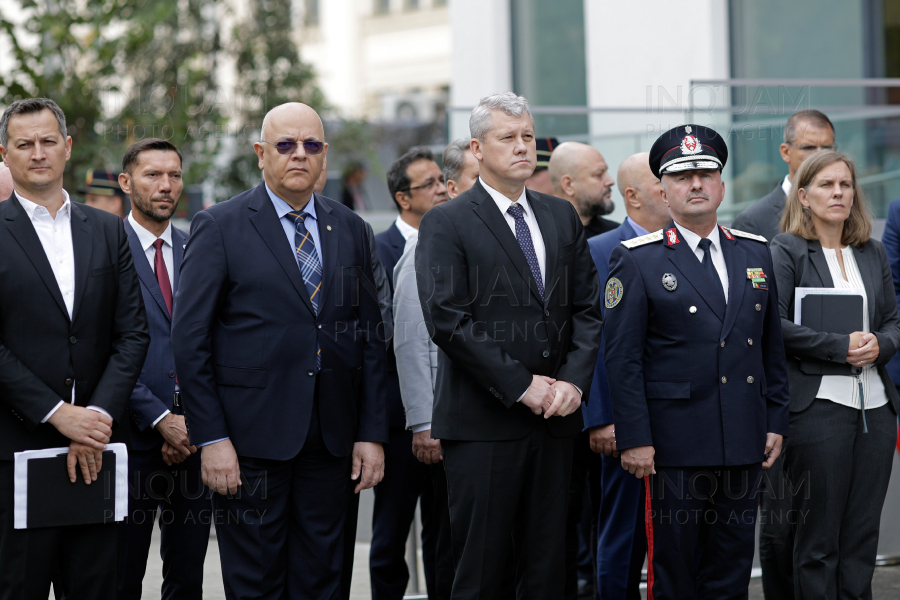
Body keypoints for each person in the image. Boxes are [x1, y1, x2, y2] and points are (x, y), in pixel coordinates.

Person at [171, 102, 388, 600]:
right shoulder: (221, 226)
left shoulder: (350, 228)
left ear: (325, 155)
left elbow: (371, 336)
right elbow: (190, 340)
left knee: (324, 581)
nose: (299, 155)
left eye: (311, 146)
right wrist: (212, 439)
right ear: (260, 153)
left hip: (332, 442)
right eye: (285, 145)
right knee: (257, 583)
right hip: (249, 445)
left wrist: (371, 432)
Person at [416, 92, 603, 599]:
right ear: (477, 148)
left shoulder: (560, 217)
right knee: (481, 573)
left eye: (527, 137)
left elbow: (588, 310)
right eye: (508, 138)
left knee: (550, 570)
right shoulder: (447, 221)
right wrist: (522, 387)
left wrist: (572, 383)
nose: (523, 147)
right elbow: (448, 319)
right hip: (484, 427)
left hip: (556, 424)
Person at [604, 124, 791, 599]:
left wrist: (775, 420)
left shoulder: (753, 252)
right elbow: (622, 359)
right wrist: (635, 439)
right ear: (663, 191)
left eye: (706, 174)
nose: (696, 185)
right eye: (683, 177)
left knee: (730, 568)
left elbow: (770, 347)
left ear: (722, 186)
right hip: (674, 445)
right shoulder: (638, 259)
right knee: (676, 570)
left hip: (743, 438)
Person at [0, 97, 149, 600]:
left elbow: (132, 335)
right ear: (5, 154)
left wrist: (94, 420)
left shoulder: (108, 230)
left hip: (96, 455)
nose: (37, 153)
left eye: (47, 142)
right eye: (24, 144)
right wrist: (57, 413)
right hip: (15, 454)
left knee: (96, 590)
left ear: (67, 148)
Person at [769, 151, 900, 600]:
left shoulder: (872, 250)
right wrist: (839, 346)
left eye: (845, 185)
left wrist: (881, 344)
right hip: (817, 410)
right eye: (827, 185)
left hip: (877, 410)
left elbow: (895, 322)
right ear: (803, 195)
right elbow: (773, 324)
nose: (839, 193)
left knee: (861, 539)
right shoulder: (785, 249)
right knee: (817, 542)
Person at [115, 138, 210, 600]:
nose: (166, 185)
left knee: (187, 577)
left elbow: (213, 341)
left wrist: (188, 423)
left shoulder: (199, 248)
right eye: (153, 175)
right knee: (122, 574)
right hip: (131, 442)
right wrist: (160, 420)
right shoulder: (104, 249)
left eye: (174, 175)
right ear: (127, 182)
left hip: (196, 443)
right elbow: (103, 351)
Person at [586, 152, 668, 599]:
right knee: (623, 536)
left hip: (681, 418)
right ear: (632, 195)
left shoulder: (689, 244)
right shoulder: (600, 250)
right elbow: (591, 338)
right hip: (625, 425)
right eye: (662, 181)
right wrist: (601, 416)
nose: (672, 187)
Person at [368, 148, 447, 600]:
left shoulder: (453, 238)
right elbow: (380, 339)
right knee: (390, 531)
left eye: (442, 180)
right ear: (403, 198)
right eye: (429, 184)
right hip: (399, 423)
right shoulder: (379, 249)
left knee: (444, 530)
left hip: (452, 415)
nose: (441, 188)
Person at [731, 110, 835, 242]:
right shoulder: (753, 222)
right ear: (786, 152)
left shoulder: (845, 210)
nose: (820, 156)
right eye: (809, 147)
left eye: (826, 148)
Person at [548, 142, 619, 238]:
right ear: (568, 185)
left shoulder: (617, 236)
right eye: (598, 174)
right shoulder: (538, 238)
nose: (610, 181)